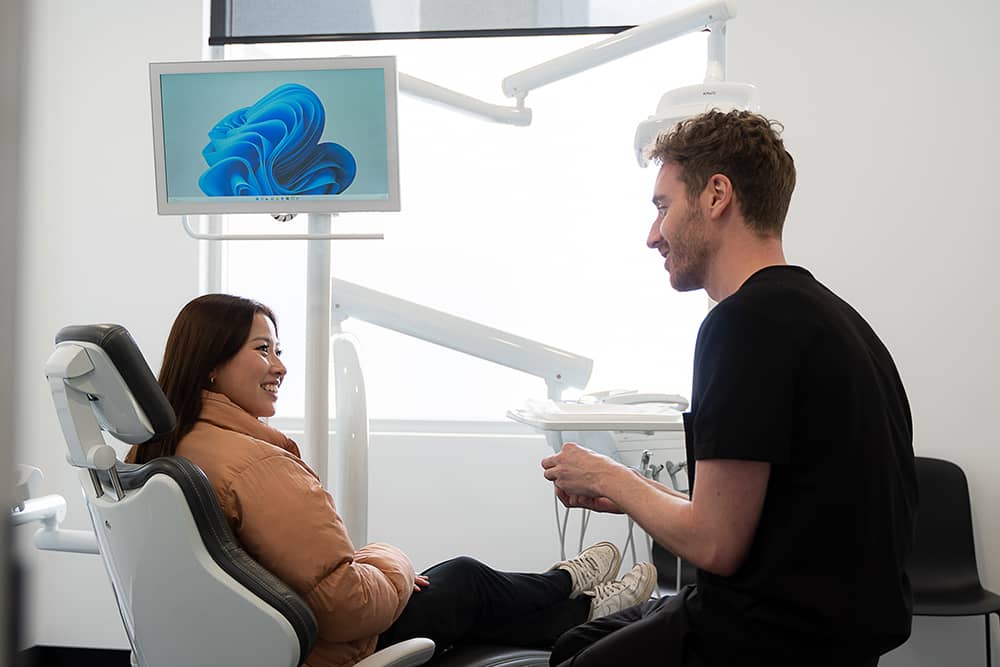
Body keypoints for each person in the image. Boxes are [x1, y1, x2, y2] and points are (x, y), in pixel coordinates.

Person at [540, 110, 917, 667]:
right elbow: (754, 519)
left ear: (717, 195)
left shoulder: (745, 323)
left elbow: (716, 543)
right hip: (832, 631)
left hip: (766, 636)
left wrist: (607, 474)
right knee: (577, 640)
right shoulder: (837, 321)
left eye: (662, 207)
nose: (652, 236)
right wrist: (628, 492)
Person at [127, 293, 659, 667]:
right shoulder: (253, 464)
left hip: (258, 640)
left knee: (462, 588)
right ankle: (575, 596)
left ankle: (572, 598)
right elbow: (345, 605)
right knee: (463, 581)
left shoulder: (166, 445)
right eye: (262, 349)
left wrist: (371, 568)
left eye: (278, 349)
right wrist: (393, 561)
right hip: (324, 646)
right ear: (212, 365)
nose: (280, 366)